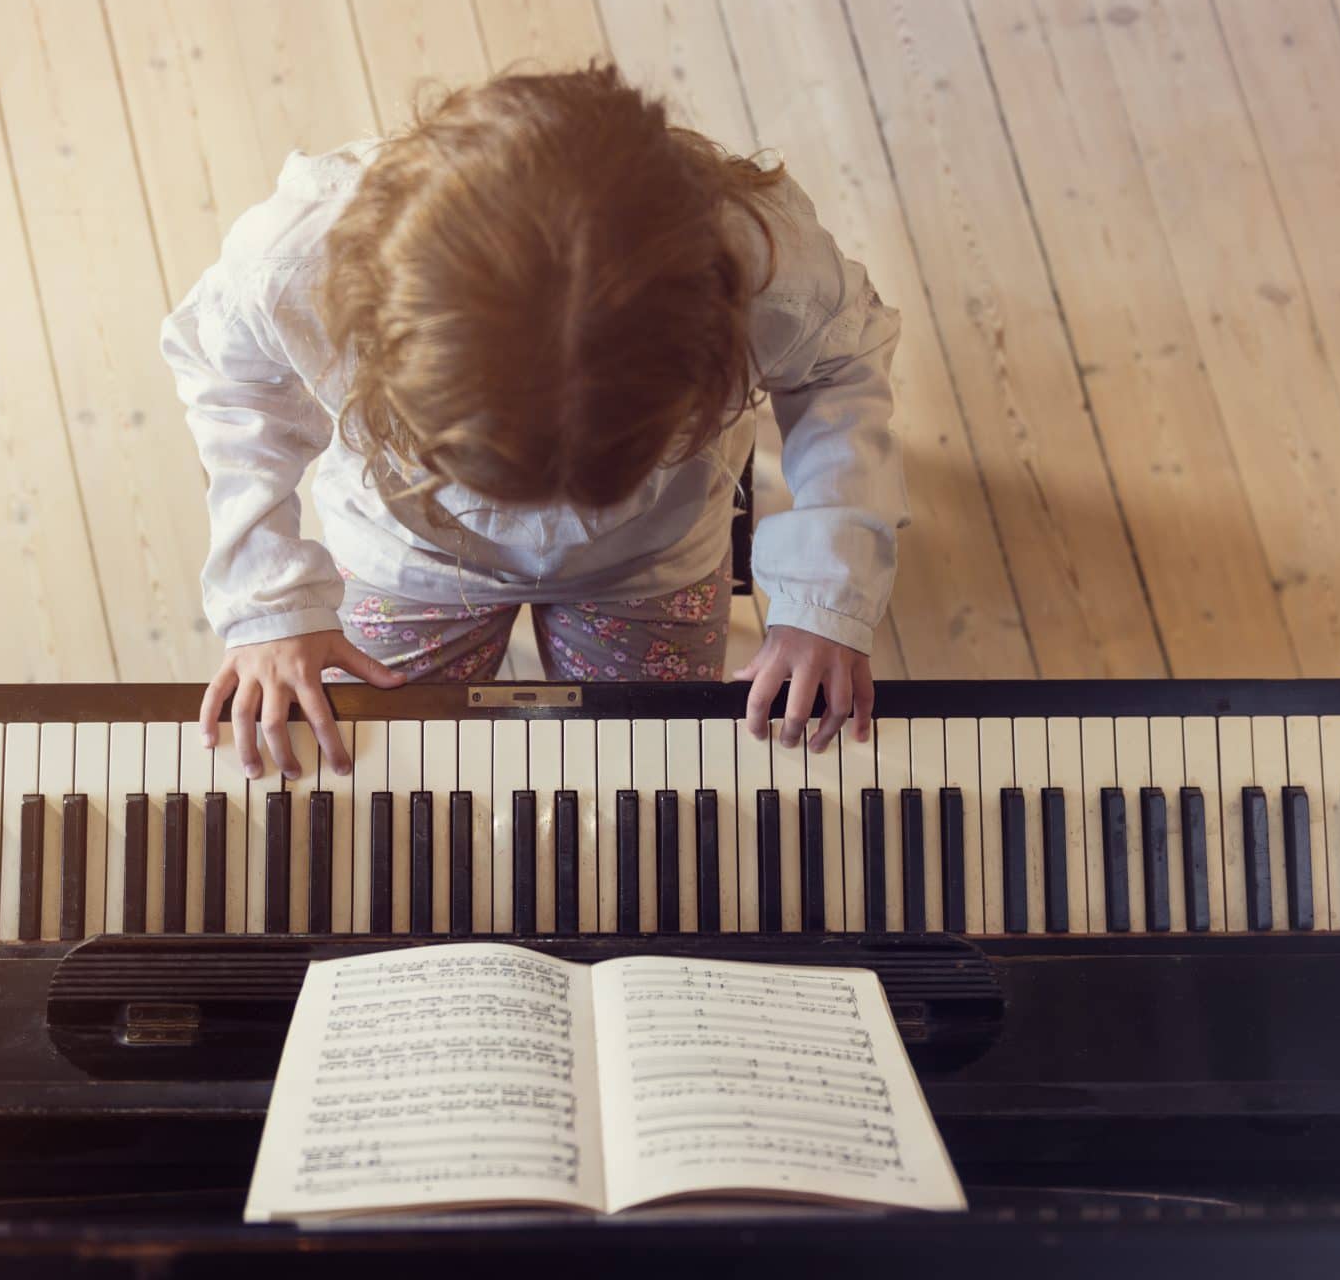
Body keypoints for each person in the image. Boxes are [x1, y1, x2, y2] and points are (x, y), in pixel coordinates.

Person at [161, 64, 904, 780]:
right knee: (395, 766)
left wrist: (824, 595)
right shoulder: (294, 264)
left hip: (646, 557)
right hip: (409, 551)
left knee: (639, 773)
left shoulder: (766, 266)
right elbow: (230, 377)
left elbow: (840, 364)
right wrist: (271, 600)